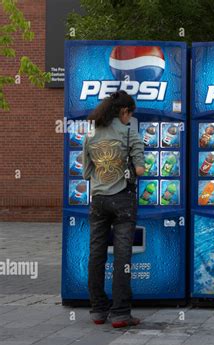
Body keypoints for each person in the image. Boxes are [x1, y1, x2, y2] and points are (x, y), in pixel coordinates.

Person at [82, 90, 145, 328]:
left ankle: (98, 310)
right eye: (130, 113)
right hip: (123, 200)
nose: (130, 118)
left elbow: (86, 172)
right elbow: (139, 170)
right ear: (124, 111)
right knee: (122, 258)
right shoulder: (129, 133)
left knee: (96, 254)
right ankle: (120, 313)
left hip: (98, 200)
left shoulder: (92, 132)